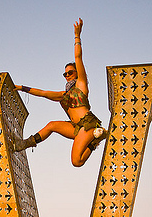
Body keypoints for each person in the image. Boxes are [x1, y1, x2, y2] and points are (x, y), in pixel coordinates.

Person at [14, 18, 107, 167]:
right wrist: (21, 87)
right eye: (65, 74)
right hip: (76, 127)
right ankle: (24, 144)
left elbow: (78, 57)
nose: (67, 75)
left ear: (76, 73)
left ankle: (95, 140)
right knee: (52, 125)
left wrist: (77, 36)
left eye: (70, 72)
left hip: (87, 124)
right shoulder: (63, 96)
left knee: (76, 162)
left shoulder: (81, 85)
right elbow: (42, 93)